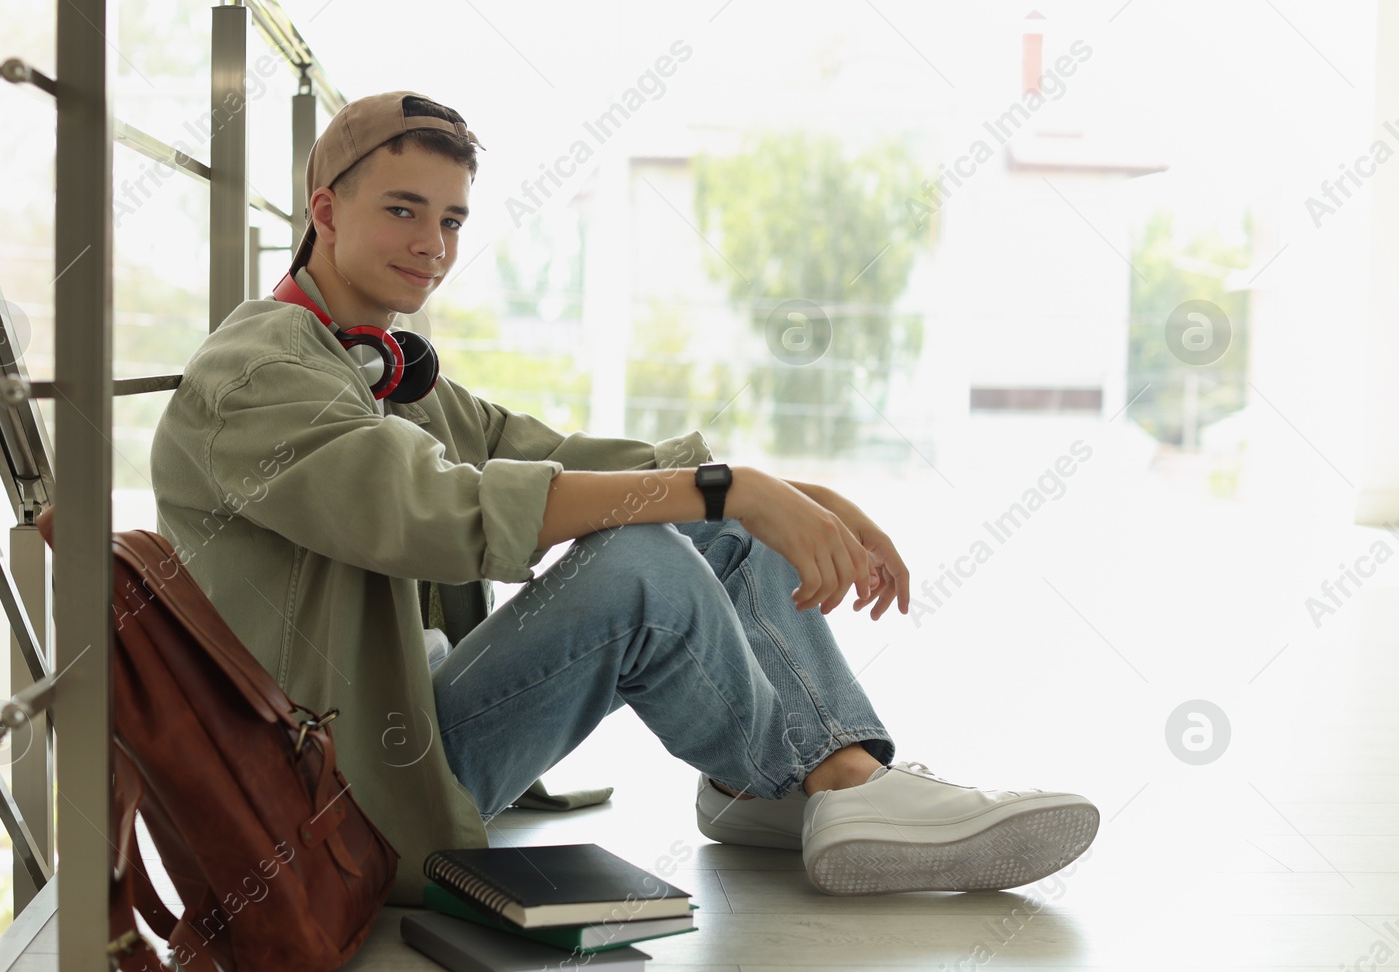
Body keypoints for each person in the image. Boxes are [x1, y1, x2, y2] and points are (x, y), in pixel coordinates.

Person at [150, 90, 1099, 907]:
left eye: (450, 221)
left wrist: (767, 489)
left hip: (396, 733)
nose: (431, 245)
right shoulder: (260, 370)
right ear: (323, 207)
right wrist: (728, 490)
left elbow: (554, 455)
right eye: (404, 211)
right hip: (343, 800)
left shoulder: (384, 371)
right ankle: (839, 782)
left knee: (708, 519)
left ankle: (793, 789)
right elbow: (437, 514)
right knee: (648, 558)